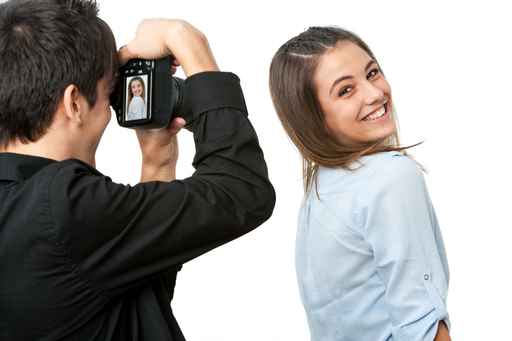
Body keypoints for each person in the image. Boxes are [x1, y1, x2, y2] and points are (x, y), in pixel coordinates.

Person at [0, 0, 275, 340]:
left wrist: (157, 162)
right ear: (74, 103)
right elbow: (243, 192)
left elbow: (121, 297)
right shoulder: (63, 205)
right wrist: (188, 41)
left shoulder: (25, 205)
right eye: (106, 93)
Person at [269, 26, 451, 341]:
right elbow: (421, 323)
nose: (375, 93)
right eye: (345, 90)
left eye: (372, 73)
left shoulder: (321, 189)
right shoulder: (390, 176)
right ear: (313, 116)